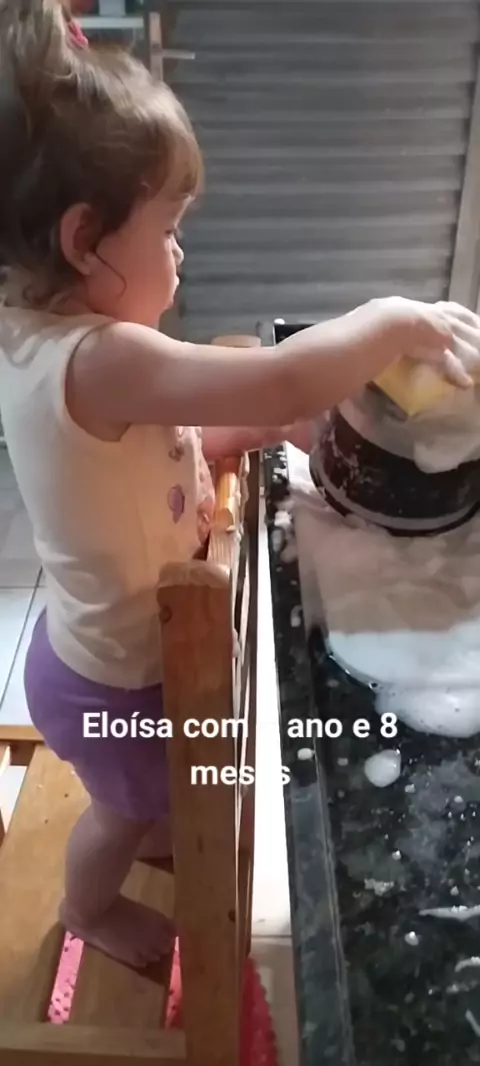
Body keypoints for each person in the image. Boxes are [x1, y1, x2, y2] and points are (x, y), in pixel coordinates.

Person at [0, 0, 474, 968]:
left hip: (89, 651)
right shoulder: (100, 359)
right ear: (85, 241)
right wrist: (392, 319)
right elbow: (283, 379)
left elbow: (170, 446)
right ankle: (88, 907)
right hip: (116, 681)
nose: (181, 251)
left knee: (145, 794)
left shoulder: (51, 338)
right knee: (121, 809)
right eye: (168, 230)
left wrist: (256, 434)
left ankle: (147, 812)